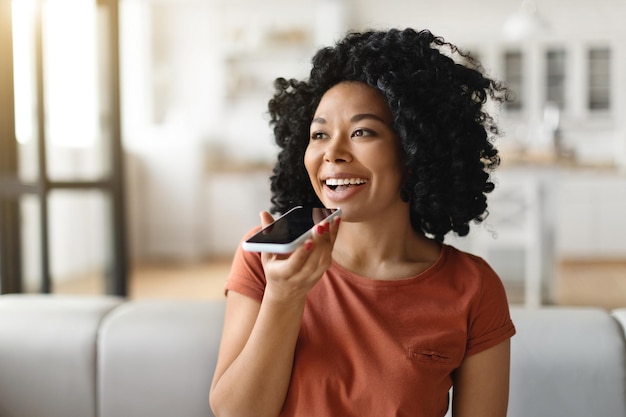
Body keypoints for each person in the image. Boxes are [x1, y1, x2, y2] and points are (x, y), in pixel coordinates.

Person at [209, 28, 516, 417]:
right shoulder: (268, 259)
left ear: (414, 150)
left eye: (361, 132)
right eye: (319, 134)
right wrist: (283, 297)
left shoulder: (473, 288)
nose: (332, 153)